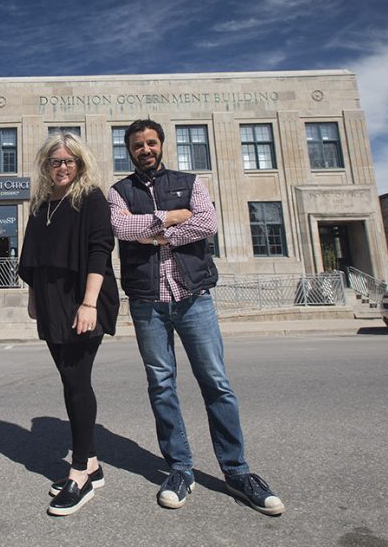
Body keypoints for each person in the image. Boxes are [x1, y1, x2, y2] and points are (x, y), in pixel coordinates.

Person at [108, 118, 284, 516]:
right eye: (138, 145)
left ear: (162, 145)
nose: (145, 149)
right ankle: (180, 469)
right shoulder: (118, 192)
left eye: (151, 143)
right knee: (161, 385)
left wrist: (153, 233)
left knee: (217, 384)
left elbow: (207, 222)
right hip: (147, 302)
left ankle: (237, 472)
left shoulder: (190, 182)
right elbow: (120, 227)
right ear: (129, 150)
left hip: (194, 299)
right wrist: (171, 218)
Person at [18, 132, 120, 516]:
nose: (61, 167)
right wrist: (33, 300)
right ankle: (91, 463)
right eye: (54, 161)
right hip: (49, 301)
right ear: (46, 165)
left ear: (80, 163)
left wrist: (89, 303)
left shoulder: (91, 198)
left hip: (82, 299)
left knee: (77, 381)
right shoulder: (42, 204)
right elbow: (32, 257)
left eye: (68, 161)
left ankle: (79, 472)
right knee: (68, 379)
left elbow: (100, 251)